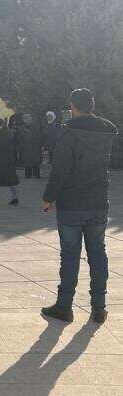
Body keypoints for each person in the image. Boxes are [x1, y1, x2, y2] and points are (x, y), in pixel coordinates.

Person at [41, 88, 119, 324]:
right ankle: (98, 307)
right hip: (97, 202)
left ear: (73, 107)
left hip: (72, 204)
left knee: (71, 256)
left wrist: (48, 198)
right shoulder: (106, 133)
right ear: (92, 106)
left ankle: (65, 306)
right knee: (97, 254)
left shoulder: (70, 135)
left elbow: (60, 171)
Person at [20, 113, 43, 178]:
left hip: (35, 148)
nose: (26, 120)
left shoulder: (36, 127)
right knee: (28, 162)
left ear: (31, 119)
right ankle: (28, 174)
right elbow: (20, 139)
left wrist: (39, 145)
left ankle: (36, 173)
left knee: (35, 161)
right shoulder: (21, 129)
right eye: (25, 119)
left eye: (28, 118)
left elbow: (40, 137)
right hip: (26, 148)